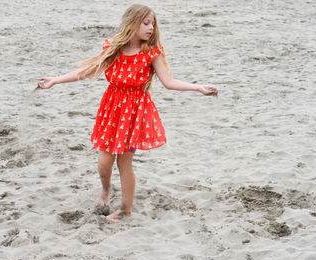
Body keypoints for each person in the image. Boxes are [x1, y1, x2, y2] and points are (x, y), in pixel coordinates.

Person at [37, 4, 218, 223]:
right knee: (104, 161)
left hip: (133, 114)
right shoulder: (113, 49)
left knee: (124, 162)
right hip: (111, 111)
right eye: (146, 23)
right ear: (132, 23)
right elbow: (88, 70)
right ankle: (105, 190)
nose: (151, 28)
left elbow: (169, 82)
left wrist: (198, 87)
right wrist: (56, 80)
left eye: (153, 23)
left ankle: (125, 209)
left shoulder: (151, 53)